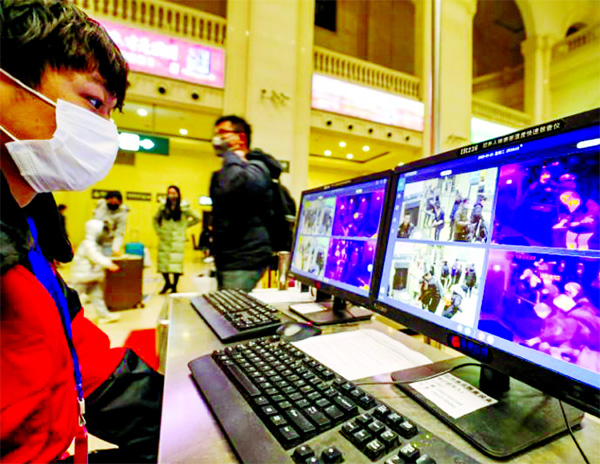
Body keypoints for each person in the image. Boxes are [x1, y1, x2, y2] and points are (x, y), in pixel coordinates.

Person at [0, 2, 162, 462]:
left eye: (109, 113)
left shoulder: (28, 222)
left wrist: (189, 418)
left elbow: (74, 353)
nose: (102, 129)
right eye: (92, 101)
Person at [210, 115, 282, 292]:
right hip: (228, 255)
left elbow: (234, 188)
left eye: (223, 133)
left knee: (232, 311)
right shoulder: (230, 168)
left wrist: (231, 156)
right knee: (227, 306)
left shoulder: (257, 167)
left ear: (240, 137)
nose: (217, 138)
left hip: (245, 256)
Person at [70, 218, 122, 323]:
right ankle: (64, 318)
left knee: (97, 297)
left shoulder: (94, 244)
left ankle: (104, 315)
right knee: (72, 297)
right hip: (83, 276)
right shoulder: (88, 244)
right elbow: (95, 256)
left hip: (92, 276)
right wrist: (108, 264)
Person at [153, 185, 201, 294]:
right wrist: (159, 231)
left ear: (178, 194)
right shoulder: (162, 207)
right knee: (163, 263)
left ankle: (174, 286)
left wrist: (184, 225)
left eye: (174, 193)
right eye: (169, 192)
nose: (171, 195)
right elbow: (155, 219)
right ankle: (167, 283)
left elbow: (198, 218)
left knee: (176, 264)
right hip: (165, 237)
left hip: (177, 239)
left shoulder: (184, 207)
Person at [94, 190, 129, 256]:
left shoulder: (122, 214)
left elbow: (119, 233)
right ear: (106, 201)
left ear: (120, 202)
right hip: (96, 240)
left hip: (109, 243)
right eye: (110, 202)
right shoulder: (101, 207)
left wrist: (115, 249)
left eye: (115, 203)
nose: (112, 204)